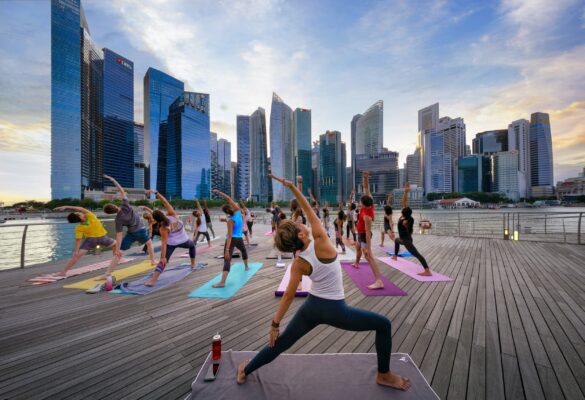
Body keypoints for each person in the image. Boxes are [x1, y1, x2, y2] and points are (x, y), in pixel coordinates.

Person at [236, 173, 411, 392]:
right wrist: (292, 187)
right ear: (300, 235)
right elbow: (308, 208)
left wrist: (274, 325)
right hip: (335, 310)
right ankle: (383, 374)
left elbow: (290, 296)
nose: (303, 224)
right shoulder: (320, 239)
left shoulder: (298, 262)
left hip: (311, 308)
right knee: (383, 325)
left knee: (280, 344)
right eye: (299, 226)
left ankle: (245, 370)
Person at [145, 189, 196, 286]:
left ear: (156, 220)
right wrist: (156, 193)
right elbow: (165, 202)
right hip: (184, 240)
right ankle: (193, 264)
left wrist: (163, 257)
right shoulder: (173, 215)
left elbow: (164, 243)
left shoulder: (163, 228)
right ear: (163, 213)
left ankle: (152, 281)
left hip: (171, 244)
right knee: (192, 245)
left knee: (163, 262)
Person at [102, 175, 156, 265]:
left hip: (131, 233)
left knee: (120, 250)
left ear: (111, 213)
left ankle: (109, 271)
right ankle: (153, 261)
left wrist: (117, 249)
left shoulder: (118, 219)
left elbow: (119, 236)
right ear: (114, 205)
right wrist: (113, 179)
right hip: (141, 230)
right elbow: (122, 191)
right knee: (149, 244)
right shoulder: (125, 205)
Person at [53, 205, 120, 277]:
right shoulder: (91, 216)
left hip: (90, 241)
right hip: (103, 238)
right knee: (116, 245)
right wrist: (66, 207)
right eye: (79, 213)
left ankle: (63, 272)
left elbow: (78, 240)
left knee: (76, 256)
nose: (81, 212)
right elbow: (80, 208)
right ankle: (114, 261)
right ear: (79, 217)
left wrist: (75, 251)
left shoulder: (79, 227)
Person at [352, 171, 385, 290]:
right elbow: (366, 188)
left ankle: (379, 281)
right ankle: (358, 262)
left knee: (369, 256)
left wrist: (369, 249)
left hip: (364, 235)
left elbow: (367, 233)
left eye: (361, 203)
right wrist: (365, 178)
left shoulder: (367, 216)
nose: (360, 204)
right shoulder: (369, 202)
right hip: (360, 234)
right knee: (363, 253)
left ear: (364, 205)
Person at [392, 182, 432, 276]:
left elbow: (408, 228)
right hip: (404, 238)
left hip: (407, 241)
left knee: (416, 254)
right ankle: (395, 256)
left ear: (403, 213)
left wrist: (407, 226)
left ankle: (427, 270)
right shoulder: (406, 217)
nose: (402, 208)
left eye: (402, 209)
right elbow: (404, 202)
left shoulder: (406, 221)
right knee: (396, 240)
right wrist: (406, 191)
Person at [212, 189, 250, 288]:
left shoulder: (230, 221)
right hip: (239, 238)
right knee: (243, 250)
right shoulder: (238, 212)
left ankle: (222, 282)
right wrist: (220, 192)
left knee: (227, 259)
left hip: (232, 239)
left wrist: (227, 250)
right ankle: (246, 266)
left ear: (225, 212)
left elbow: (229, 236)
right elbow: (229, 199)